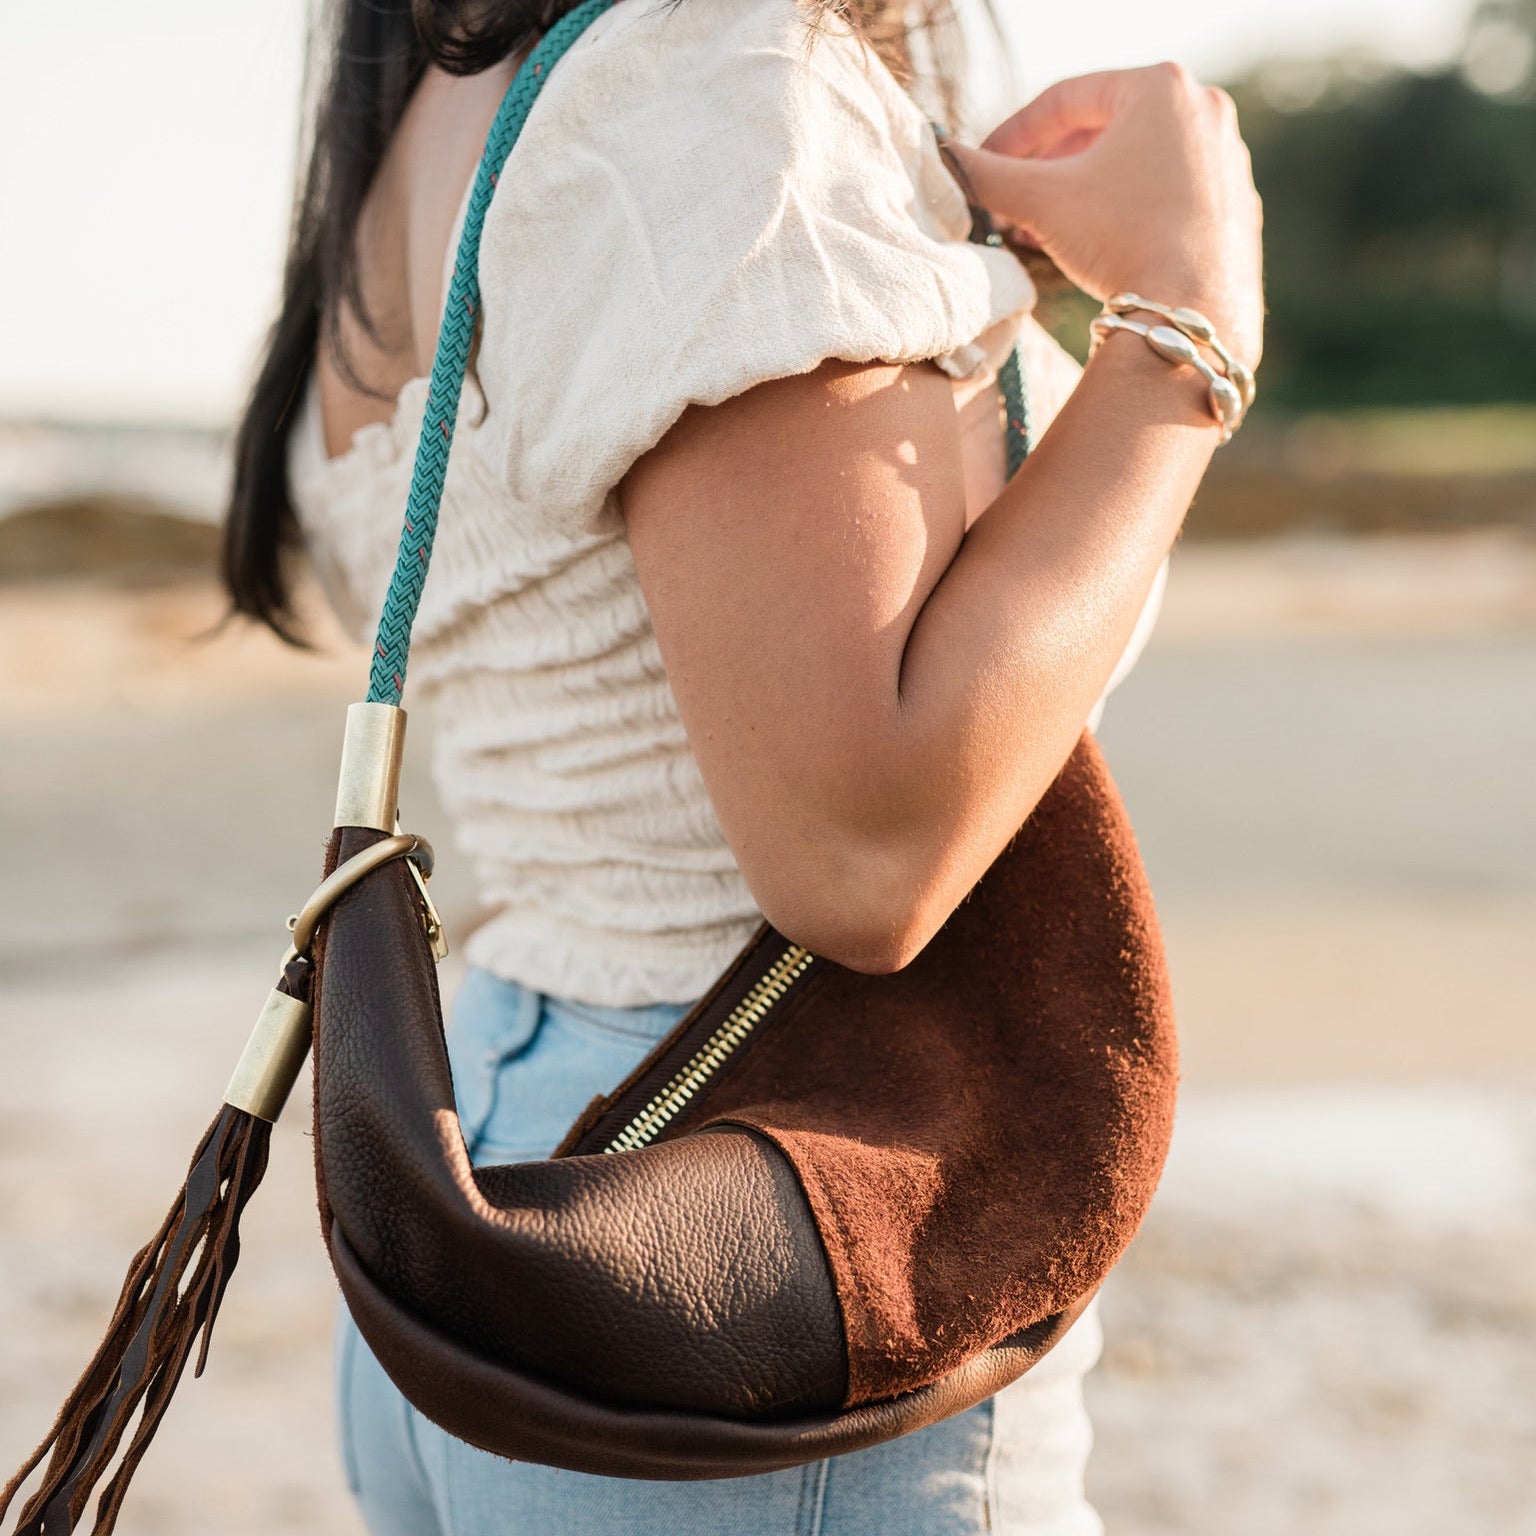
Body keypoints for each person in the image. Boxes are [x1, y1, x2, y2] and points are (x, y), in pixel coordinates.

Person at [223, 0, 1263, 1530]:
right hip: (763, 1175)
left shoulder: (432, 119)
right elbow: (865, 854)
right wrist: (1189, 316)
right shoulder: (714, 75)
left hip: (501, 1143)